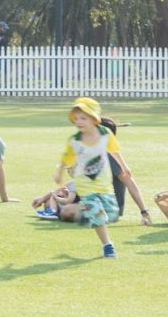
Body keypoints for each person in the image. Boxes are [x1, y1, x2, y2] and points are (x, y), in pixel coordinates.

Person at [54, 97, 122, 257]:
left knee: (111, 213)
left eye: (83, 118)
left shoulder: (106, 134)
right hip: (85, 185)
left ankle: (86, 214)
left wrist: (125, 167)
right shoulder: (75, 141)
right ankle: (108, 246)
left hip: (104, 184)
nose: (79, 122)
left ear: (94, 119)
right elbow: (67, 158)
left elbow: (115, 151)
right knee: (98, 216)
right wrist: (59, 173)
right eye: (76, 119)